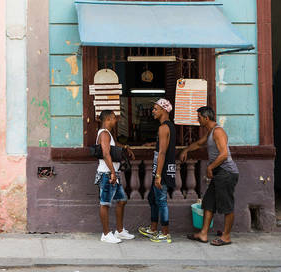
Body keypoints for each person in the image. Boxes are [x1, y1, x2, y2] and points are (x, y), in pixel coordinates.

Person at [180, 106, 239, 246]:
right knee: (208, 203)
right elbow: (200, 144)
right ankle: (203, 234)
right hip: (219, 173)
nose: (197, 119)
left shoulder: (218, 132)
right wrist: (186, 150)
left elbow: (224, 154)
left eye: (199, 117)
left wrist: (210, 167)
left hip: (227, 173)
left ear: (206, 118)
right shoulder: (210, 132)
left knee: (227, 206)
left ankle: (226, 237)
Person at [138, 98, 176, 243]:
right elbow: (164, 144)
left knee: (161, 200)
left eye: (155, 109)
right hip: (161, 169)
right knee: (152, 198)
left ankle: (165, 232)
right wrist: (153, 143)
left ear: (164, 110)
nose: (153, 111)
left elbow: (162, 153)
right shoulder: (168, 127)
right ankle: (153, 229)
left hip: (163, 170)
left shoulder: (163, 127)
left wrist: (158, 175)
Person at [95, 110, 135, 244]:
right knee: (105, 203)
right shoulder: (105, 134)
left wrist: (125, 146)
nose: (116, 120)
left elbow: (114, 146)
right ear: (109, 119)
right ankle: (106, 234)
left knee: (122, 200)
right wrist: (113, 172)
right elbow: (106, 154)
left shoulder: (107, 134)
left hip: (111, 174)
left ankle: (119, 231)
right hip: (107, 174)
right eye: (114, 118)